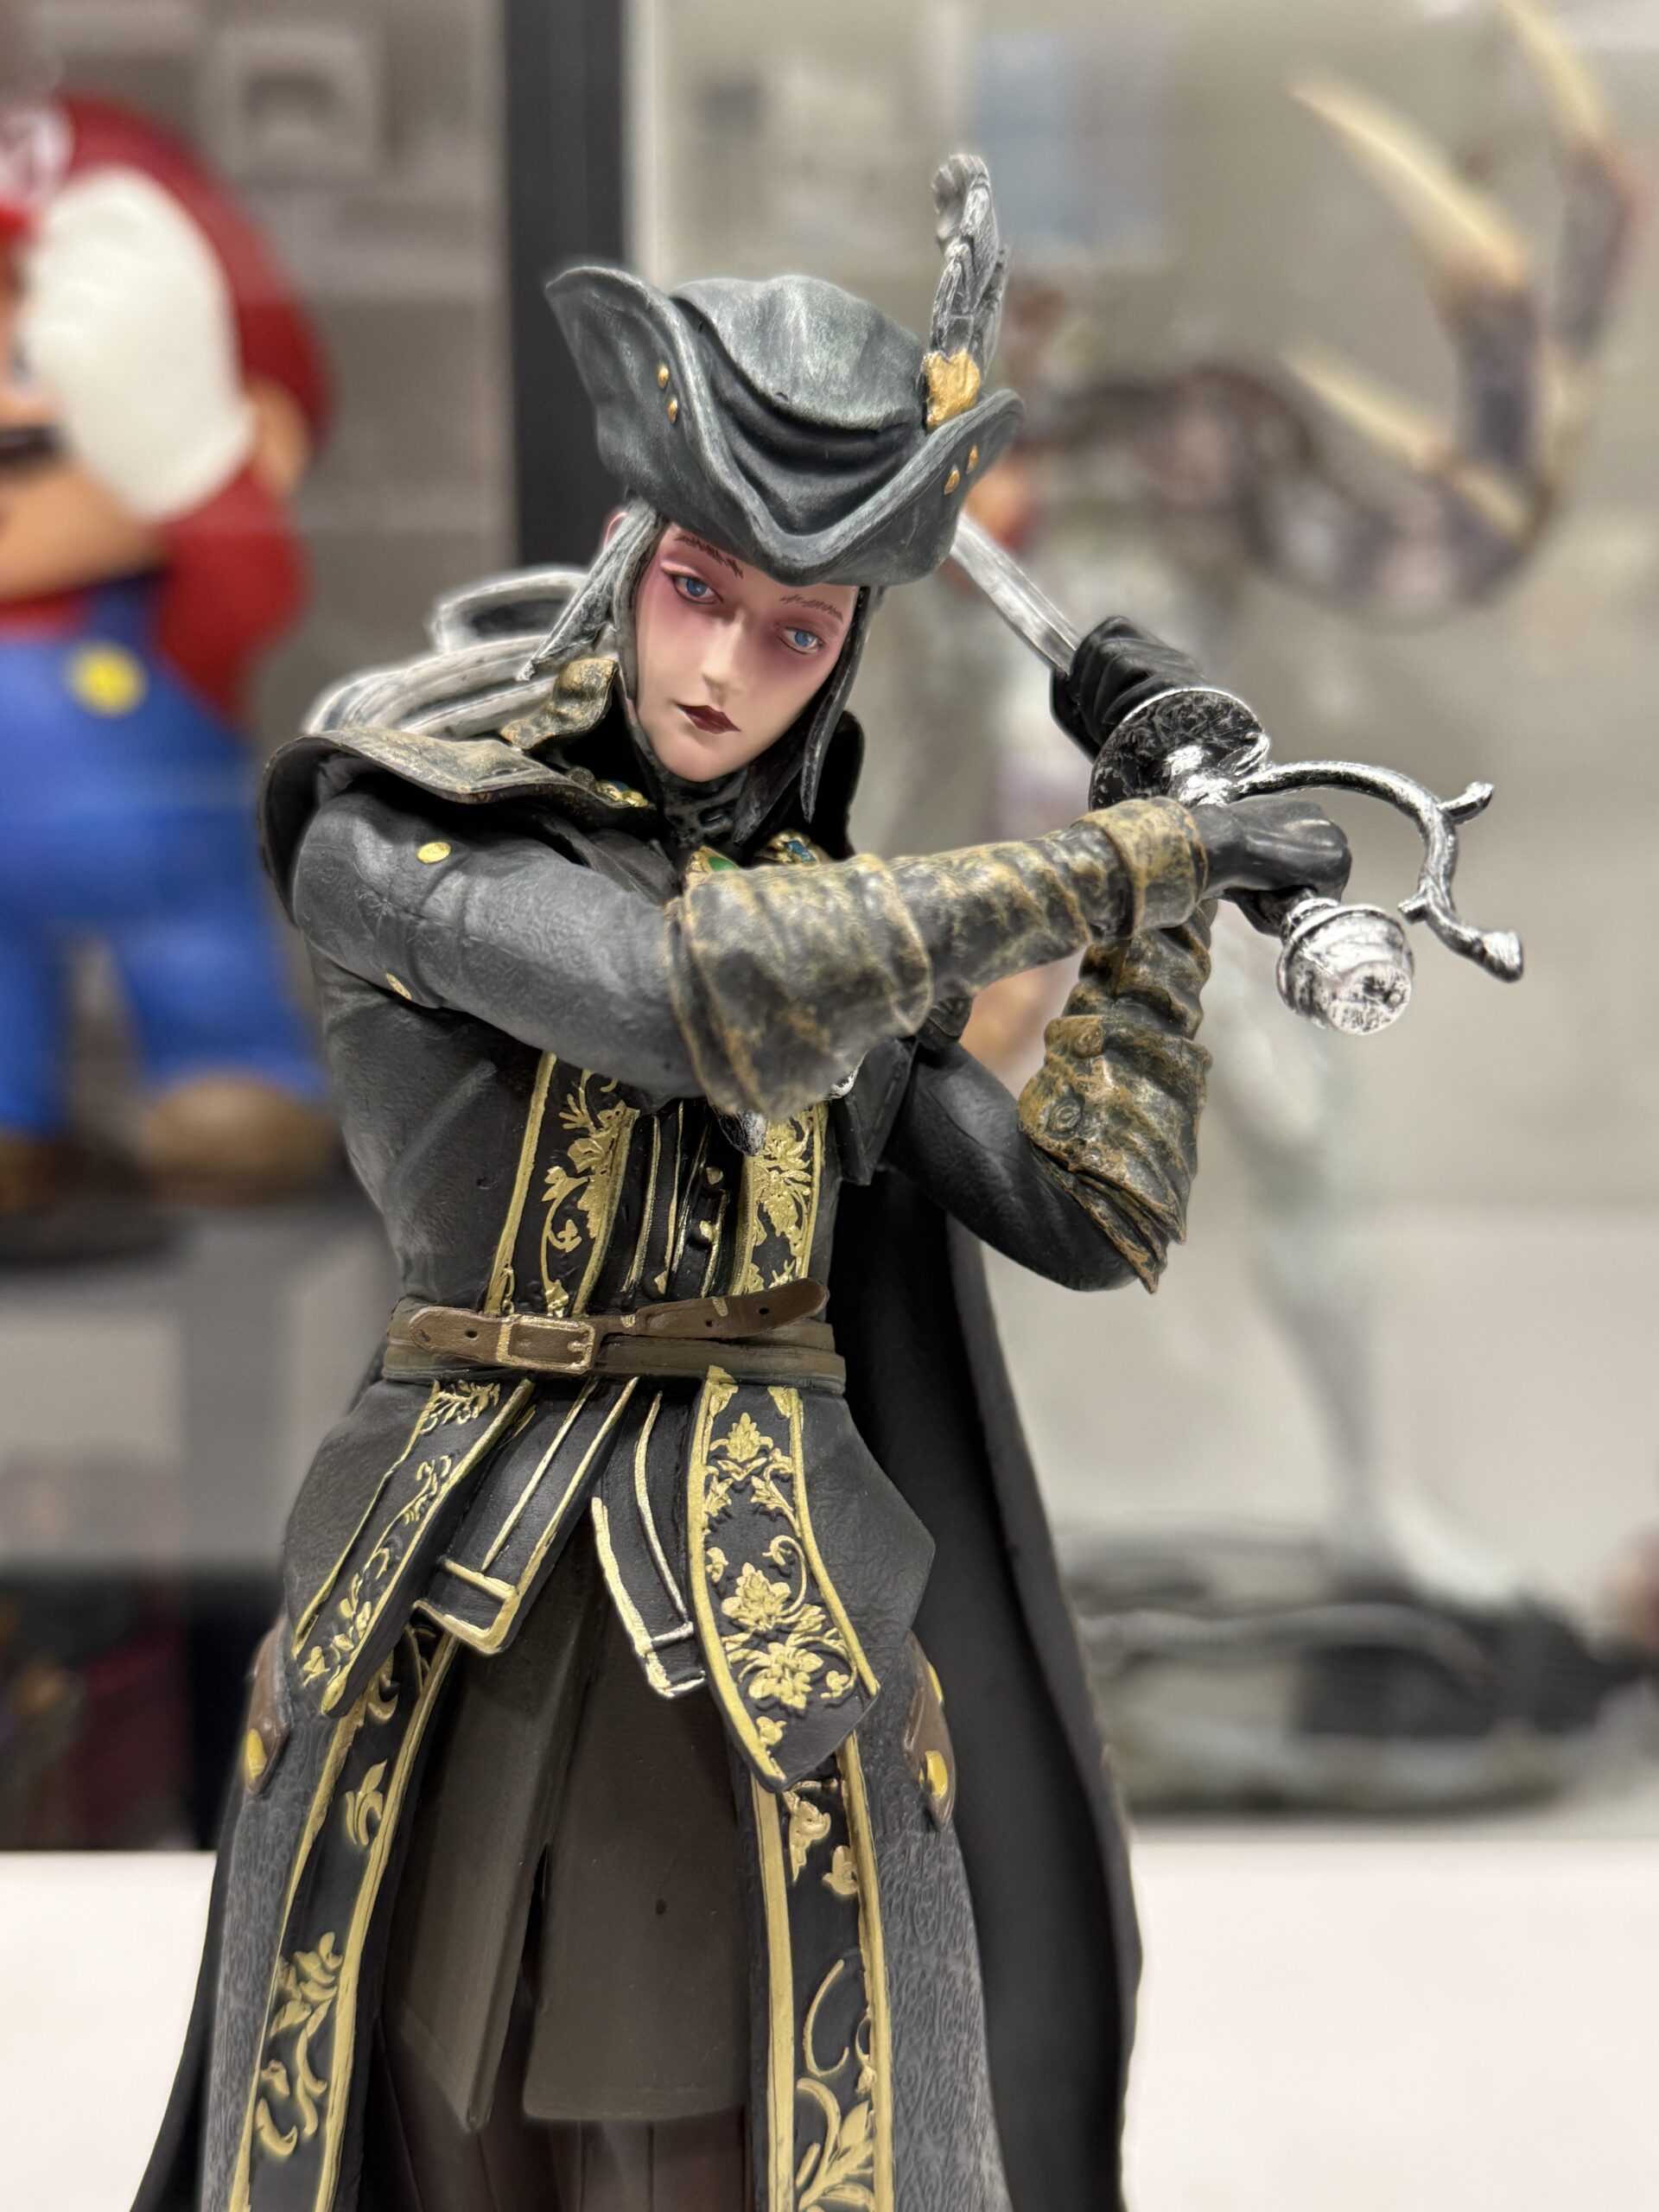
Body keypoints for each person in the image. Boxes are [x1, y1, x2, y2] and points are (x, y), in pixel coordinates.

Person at [136, 159, 1347, 2212]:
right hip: (455, 1589)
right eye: (700, 590)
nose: (723, 667)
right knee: (410, 2118)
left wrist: (1162, 895)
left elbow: (1088, 1211)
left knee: (756, 2128)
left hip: (773, 1644)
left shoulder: (832, 935)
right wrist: (1133, 861)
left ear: (848, 649)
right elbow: (684, 997)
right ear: (629, 556)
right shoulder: (407, 835)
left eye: (796, 629)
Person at [0, 94, 332, 1219]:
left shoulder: (153, 603)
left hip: (172, 864)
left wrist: (195, 475)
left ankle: (226, 1080)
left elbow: (253, 596)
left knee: (200, 966)